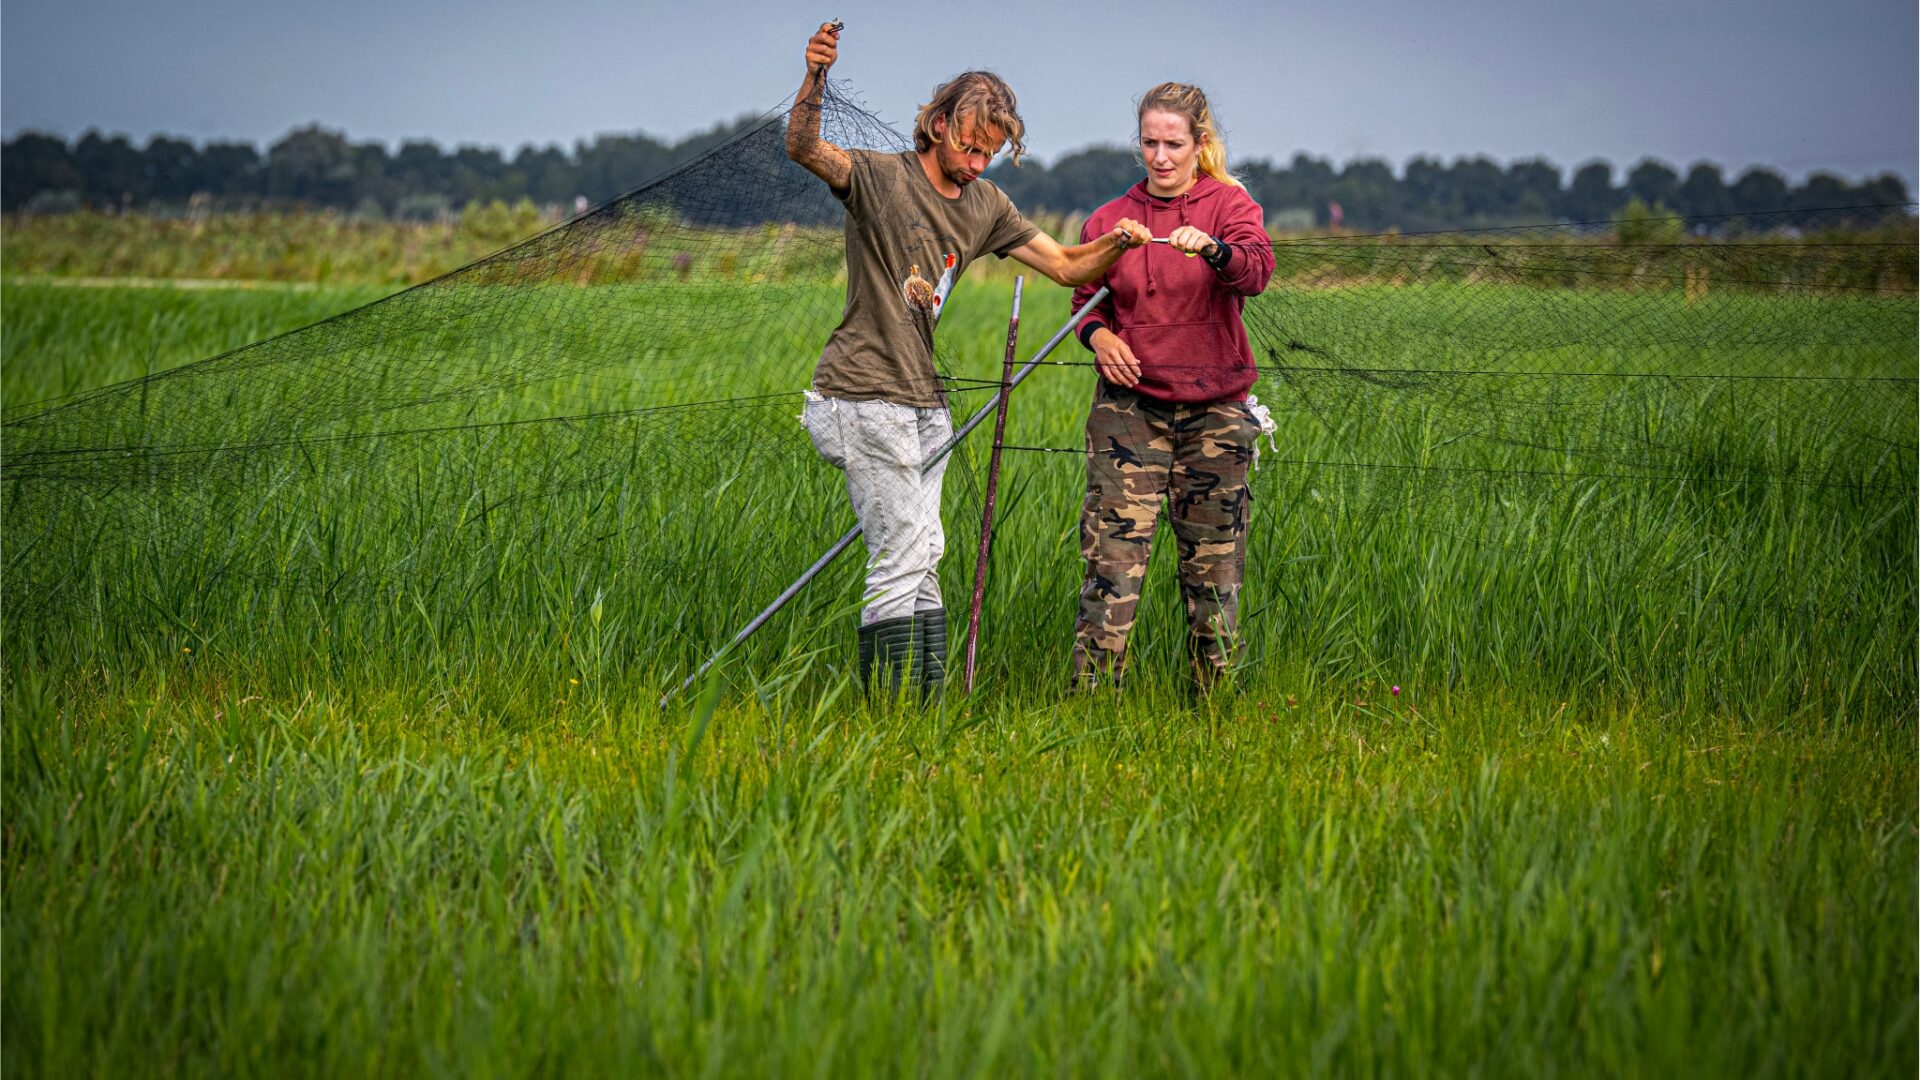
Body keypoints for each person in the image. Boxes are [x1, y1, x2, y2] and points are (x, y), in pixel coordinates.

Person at [786, 22, 1148, 697]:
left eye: (991, 153)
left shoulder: (985, 205)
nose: (979, 163)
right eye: (970, 146)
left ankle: (921, 708)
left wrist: (1119, 246)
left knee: (927, 554)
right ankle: (888, 713)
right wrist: (815, 76)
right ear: (941, 123)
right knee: (899, 554)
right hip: (861, 392)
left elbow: (1069, 267)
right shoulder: (879, 178)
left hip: (925, 403)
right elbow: (803, 145)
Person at [1068, 82, 1276, 692]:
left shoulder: (1230, 206)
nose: (1160, 157)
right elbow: (1086, 302)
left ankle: (1212, 707)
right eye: (1150, 143)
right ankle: (1090, 702)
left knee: (1214, 575)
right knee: (1111, 567)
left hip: (1216, 416)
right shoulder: (1110, 220)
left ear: (1200, 144)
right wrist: (1100, 338)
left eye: (1174, 144)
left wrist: (1213, 249)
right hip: (1130, 417)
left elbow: (1256, 271)